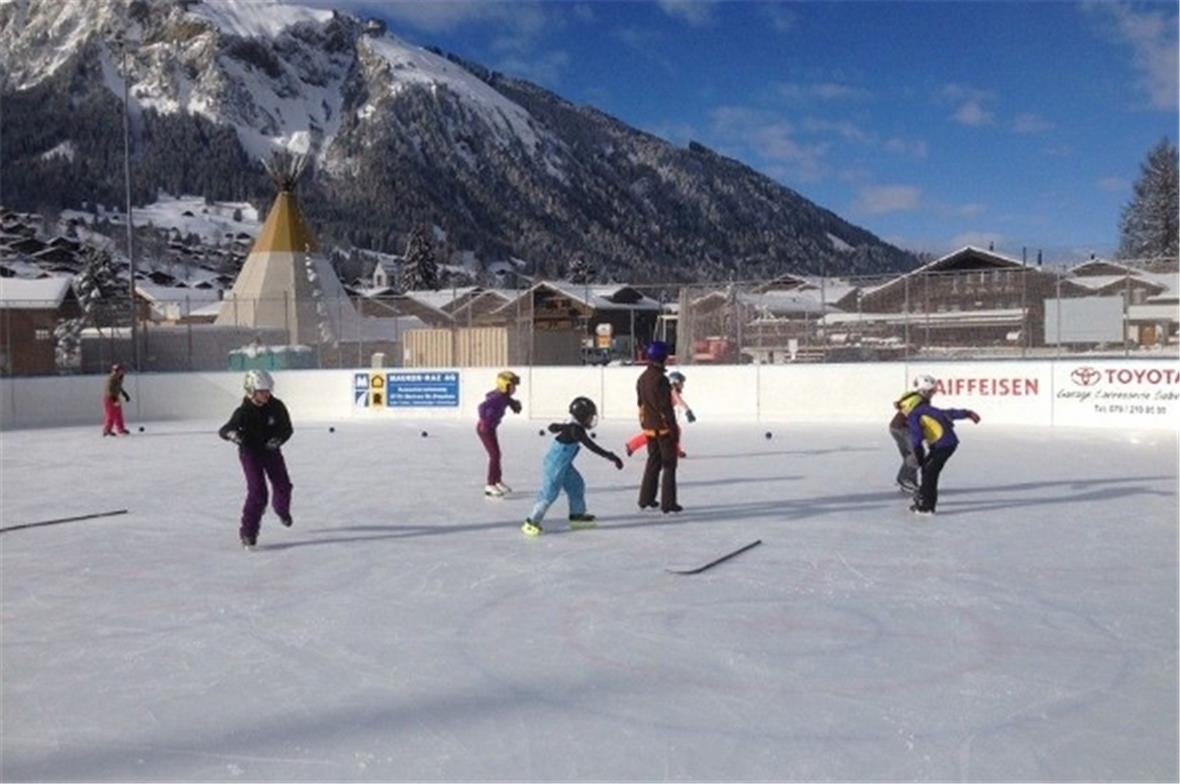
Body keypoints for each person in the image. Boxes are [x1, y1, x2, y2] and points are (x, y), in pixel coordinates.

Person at [521, 396, 623, 536]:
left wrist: (559, 426)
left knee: (577, 485)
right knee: (549, 493)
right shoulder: (576, 430)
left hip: (564, 465)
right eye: (589, 416)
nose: (590, 420)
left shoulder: (574, 427)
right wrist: (611, 456)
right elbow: (591, 446)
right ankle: (531, 522)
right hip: (555, 465)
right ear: (581, 416)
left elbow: (556, 427)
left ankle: (577, 516)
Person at [218, 369, 294, 549]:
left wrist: (278, 440)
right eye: (262, 391)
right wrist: (234, 435)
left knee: (283, 485)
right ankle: (248, 533)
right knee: (258, 493)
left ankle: (282, 511)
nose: (267, 394)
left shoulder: (277, 406)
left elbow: (287, 429)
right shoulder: (243, 411)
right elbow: (225, 430)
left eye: (268, 390)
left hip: (271, 451)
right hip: (250, 453)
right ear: (251, 390)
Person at [906, 390, 980, 515]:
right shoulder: (929, 409)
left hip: (942, 446)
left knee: (930, 473)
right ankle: (924, 499)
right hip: (948, 444)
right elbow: (950, 413)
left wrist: (919, 456)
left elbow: (917, 439)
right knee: (928, 470)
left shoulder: (914, 415)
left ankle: (927, 506)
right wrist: (967, 413)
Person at [635, 340, 681, 513]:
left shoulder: (642, 378)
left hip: (648, 426)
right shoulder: (660, 380)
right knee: (669, 465)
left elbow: (641, 403)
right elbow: (666, 408)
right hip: (663, 428)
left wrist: (644, 422)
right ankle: (668, 503)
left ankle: (645, 499)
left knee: (653, 462)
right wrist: (673, 430)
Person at [624, 370, 695, 458]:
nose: (683, 385)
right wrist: (688, 411)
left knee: (668, 431)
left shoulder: (668, 390)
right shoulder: (672, 390)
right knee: (656, 434)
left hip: (658, 414)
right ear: (675, 382)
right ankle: (631, 445)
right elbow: (679, 401)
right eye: (681, 382)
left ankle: (631, 445)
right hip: (657, 415)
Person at [477, 370, 522, 497]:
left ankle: (497, 481)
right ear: (505, 385)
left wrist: (514, 405)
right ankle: (490, 485)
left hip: (491, 428)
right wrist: (484, 421)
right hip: (484, 429)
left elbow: (508, 400)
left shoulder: (504, 397)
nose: (515, 389)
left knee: (497, 454)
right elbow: (482, 407)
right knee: (494, 455)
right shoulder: (498, 397)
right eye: (512, 386)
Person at [889, 375, 934, 493]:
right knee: (916, 454)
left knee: (909, 455)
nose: (933, 393)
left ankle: (909, 481)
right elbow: (916, 417)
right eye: (931, 391)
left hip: (897, 427)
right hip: (902, 428)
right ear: (924, 390)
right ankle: (904, 479)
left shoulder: (917, 399)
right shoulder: (919, 400)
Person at [101, 363, 132, 437]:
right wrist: (114, 399)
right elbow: (109, 389)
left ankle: (120, 429)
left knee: (118, 414)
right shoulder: (111, 378)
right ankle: (107, 430)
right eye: (117, 370)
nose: (119, 372)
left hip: (115, 397)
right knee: (111, 414)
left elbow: (119, 387)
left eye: (120, 370)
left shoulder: (119, 378)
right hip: (109, 398)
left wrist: (125, 394)